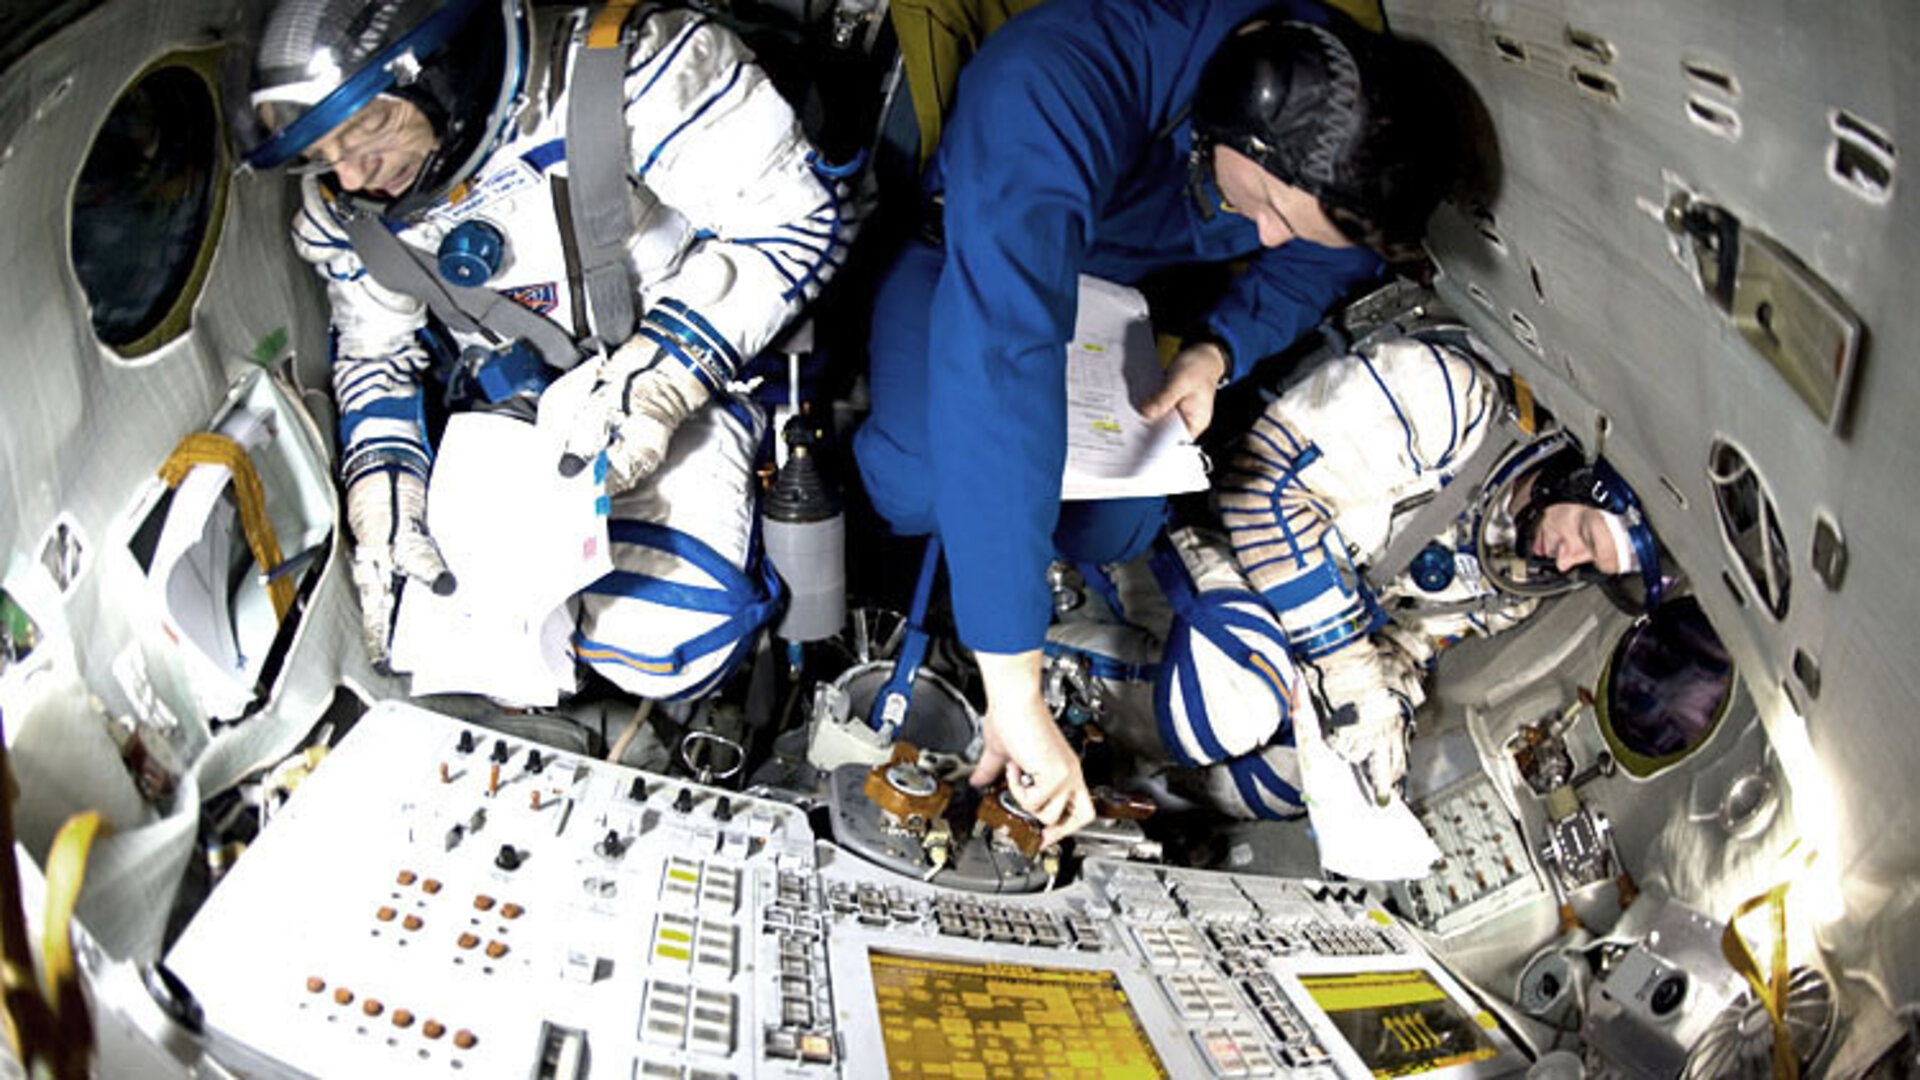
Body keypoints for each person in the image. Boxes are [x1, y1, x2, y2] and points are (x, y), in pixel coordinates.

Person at [851, 0, 1458, 844]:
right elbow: (1003, 351)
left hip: (1101, 308)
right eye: (1269, 209)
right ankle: (986, 578)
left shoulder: (1332, 138)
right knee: (922, 484)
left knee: (1122, 519)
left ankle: (1006, 566)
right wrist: (1014, 691)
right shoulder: (1057, 77)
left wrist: (1217, 348)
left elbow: (1328, 253)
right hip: (968, 256)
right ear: (1240, 121)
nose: (1271, 238)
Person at [239, 0, 856, 669]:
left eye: (370, 126)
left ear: (447, 68)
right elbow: (376, 352)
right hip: (512, 423)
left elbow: (790, 219)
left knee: (663, 641)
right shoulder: (345, 209)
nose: (354, 175)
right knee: (431, 639)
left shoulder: (629, 74)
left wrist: (664, 380)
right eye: (322, 155)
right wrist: (384, 490)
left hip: (688, 377)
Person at [1198, 330, 1667, 817]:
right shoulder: (1448, 400)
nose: (1568, 562)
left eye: (1588, 567)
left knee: (1291, 783)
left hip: (1309, 626)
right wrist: (1348, 671)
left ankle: (1175, 806)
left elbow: (1411, 642)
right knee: (1237, 708)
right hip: (1220, 540)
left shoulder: (1509, 593)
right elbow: (1259, 487)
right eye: (1586, 538)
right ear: (1578, 481)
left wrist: (1390, 709)